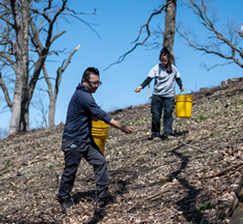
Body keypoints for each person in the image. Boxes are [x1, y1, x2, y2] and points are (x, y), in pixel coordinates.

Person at [58, 67, 134, 212]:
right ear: (84, 81)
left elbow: (90, 113)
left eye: (99, 83)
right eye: (94, 83)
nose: (97, 86)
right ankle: (63, 198)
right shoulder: (82, 95)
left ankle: (102, 195)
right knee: (70, 170)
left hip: (86, 140)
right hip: (73, 141)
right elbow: (100, 113)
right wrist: (121, 127)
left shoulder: (86, 95)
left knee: (100, 161)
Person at [134, 47, 185, 140]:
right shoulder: (156, 68)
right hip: (157, 95)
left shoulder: (173, 69)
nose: (163, 62)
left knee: (168, 114)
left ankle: (168, 133)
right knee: (156, 115)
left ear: (168, 59)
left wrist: (181, 86)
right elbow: (148, 79)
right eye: (161, 60)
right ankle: (156, 133)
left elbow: (178, 78)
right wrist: (141, 87)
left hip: (169, 96)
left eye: (165, 60)